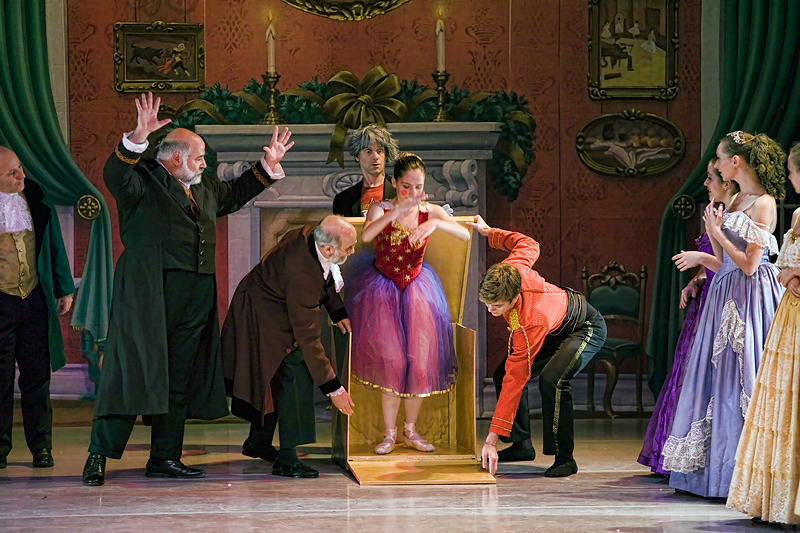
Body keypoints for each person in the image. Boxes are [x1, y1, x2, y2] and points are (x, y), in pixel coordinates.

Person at [81, 92, 294, 486]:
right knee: (133, 372)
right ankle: (99, 455)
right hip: (149, 291)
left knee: (178, 375)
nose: (204, 164)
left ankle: (165, 457)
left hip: (195, 292)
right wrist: (137, 137)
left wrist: (268, 164)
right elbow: (115, 175)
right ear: (176, 158)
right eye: (199, 157)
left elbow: (234, 194)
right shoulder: (142, 181)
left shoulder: (203, 188)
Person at [661, 131, 786, 498]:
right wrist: (712, 234)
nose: (715, 164)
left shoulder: (764, 203)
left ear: (736, 161)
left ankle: (743, 477)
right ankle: (714, 475)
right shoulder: (734, 200)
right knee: (718, 380)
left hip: (751, 297)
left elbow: (750, 265)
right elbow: (723, 264)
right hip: (724, 294)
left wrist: (718, 232)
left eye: (718, 157)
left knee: (744, 376)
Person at [344, 153, 468, 455]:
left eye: (418, 187)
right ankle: (390, 433)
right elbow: (368, 235)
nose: (412, 193)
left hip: (418, 289)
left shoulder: (429, 211)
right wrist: (396, 211)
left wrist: (436, 224)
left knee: (419, 361)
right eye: (406, 186)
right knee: (393, 361)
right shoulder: (380, 207)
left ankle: (410, 431)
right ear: (394, 183)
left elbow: (464, 234)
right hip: (382, 290)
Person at [467, 215, 607, 478]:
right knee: (501, 373)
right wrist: (489, 232)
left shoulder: (531, 319)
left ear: (513, 298)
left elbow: (517, 378)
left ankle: (565, 458)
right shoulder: (510, 269)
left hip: (583, 326)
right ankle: (521, 445)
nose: (490, 310)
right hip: (553, 329)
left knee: (553, 380)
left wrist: (490, 440)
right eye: (486, 303)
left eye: (496, 306)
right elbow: (528, 243)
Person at [221, 215, 357, 478]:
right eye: (348, 248)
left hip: (270, 306)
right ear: (328, 248)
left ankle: (258, 442)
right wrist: (334, 388)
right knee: (295, 372)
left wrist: (337, 311)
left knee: (273, 379)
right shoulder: (302, 273)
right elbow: (308, 337)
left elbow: (325, 275)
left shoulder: (312, 235)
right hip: (260, 316)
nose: (352, 252)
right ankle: (287, 460)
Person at [638, 159, 738, 475]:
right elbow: (714, 265)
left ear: (727, 182)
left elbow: (731, 265)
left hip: (720, 303)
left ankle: (705, 462)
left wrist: (701, 258)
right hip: (704, 300)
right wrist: (697, 278)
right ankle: (672, 455)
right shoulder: (715, 211)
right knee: (685, 371)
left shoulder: (733, 215)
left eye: (710, 179)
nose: (705, 184)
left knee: (705, 377)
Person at [727, 142, 800, 525]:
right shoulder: (797, 214)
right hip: (786, 312)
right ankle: (775, 497)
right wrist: (790, 276)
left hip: (777, 305)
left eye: (793, 171)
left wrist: (792, 274)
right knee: (781, 399)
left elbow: (757, 264)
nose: (789, 178)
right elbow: (783, 265)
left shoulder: (767, 204)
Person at [0, 146, 74, 470]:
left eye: (19, 167)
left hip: (33, 300)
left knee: (37, 379)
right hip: (1, 302)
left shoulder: (36, 196)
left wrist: (64, 288)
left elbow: (54, 243)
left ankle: (41, 446)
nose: (21, 175)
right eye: (11, 172)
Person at [332, 123, 399, 217]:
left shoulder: (400, 192)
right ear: (357, 156)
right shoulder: (343, 200)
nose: (375, 157)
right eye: (368, 151)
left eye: (379, 151)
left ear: (386, 154)